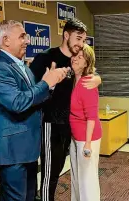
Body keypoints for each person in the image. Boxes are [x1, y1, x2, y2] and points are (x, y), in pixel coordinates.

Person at [0, 19, 69, 201]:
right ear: (6, 40)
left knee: (29, 196)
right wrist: (46, 83)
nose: (28, 40)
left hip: (29, 147)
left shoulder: (24, 67)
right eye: (22, 36)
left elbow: (35, 97)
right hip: (12, 151)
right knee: (16, 198)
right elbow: (17, 102)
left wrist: (50, 86)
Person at [30, 18, 101, 201]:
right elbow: (30, 91)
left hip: (69, 126)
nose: (80, 45)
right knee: (50, 173)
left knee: (62, 168)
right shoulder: (46, 57)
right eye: (78, 38)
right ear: (66, 35)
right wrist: (48, 85)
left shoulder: (74, 61)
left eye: (84, 40)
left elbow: (88, 71)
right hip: (50, 124)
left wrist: (98, 78)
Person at [69, 44, 102, 201]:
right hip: (76, 138)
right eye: (74, 55)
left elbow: (91, 116)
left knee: (87, 180)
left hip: (87, 138)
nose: (75, 58)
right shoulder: (73, 80)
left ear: (86, 63)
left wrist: (88, 143)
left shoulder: (87, 83)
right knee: (77, 177)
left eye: (80, 57)